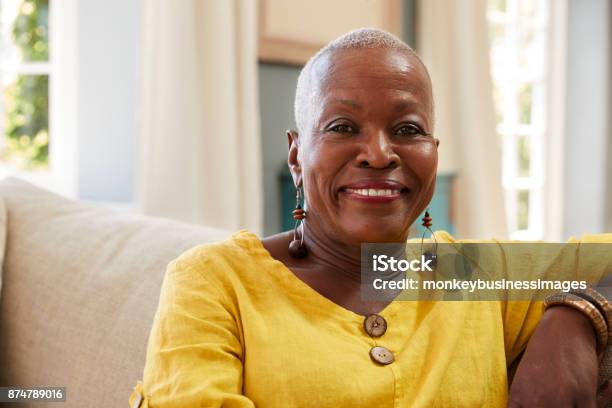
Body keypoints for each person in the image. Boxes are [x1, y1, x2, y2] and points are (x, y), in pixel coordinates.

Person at [129, 28, 612, 407]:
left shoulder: (472, 273)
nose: (380, 154)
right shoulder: (214, 283)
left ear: (433, 154)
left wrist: (579, 316)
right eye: (342, 126)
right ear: (297, 155)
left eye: (407, 129)